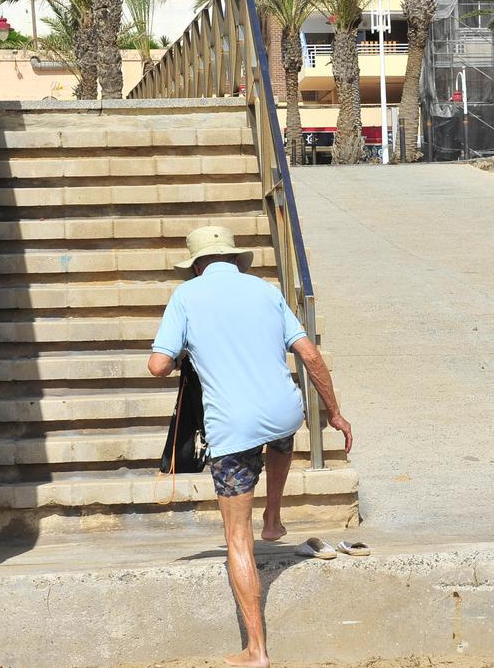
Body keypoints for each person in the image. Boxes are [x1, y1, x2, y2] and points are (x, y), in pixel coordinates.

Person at [148, 226, 353, 668]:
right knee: (278, 434)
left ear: (197, 265)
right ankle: (274, 516)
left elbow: (158, 365)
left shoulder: (186, 298)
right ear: (234, 260)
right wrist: (334, 414)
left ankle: (255, 650)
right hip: (285, 410)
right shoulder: (266, 291)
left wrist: (185, 350)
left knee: (236, 539)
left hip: (233, 425)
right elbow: (311, 356)